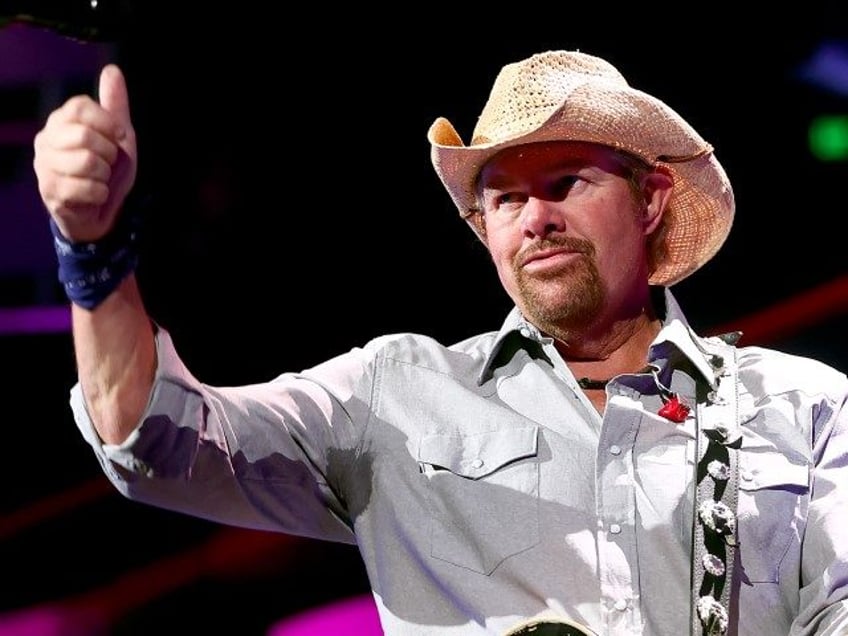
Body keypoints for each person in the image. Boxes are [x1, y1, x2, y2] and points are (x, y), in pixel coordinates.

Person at [32, 49, 848, 636]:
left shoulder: (803, 404)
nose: (534, 219)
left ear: (651, 201)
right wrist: (93, 253)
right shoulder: (394, 392)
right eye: (503, 199)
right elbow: (158, 441)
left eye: (565, 182)